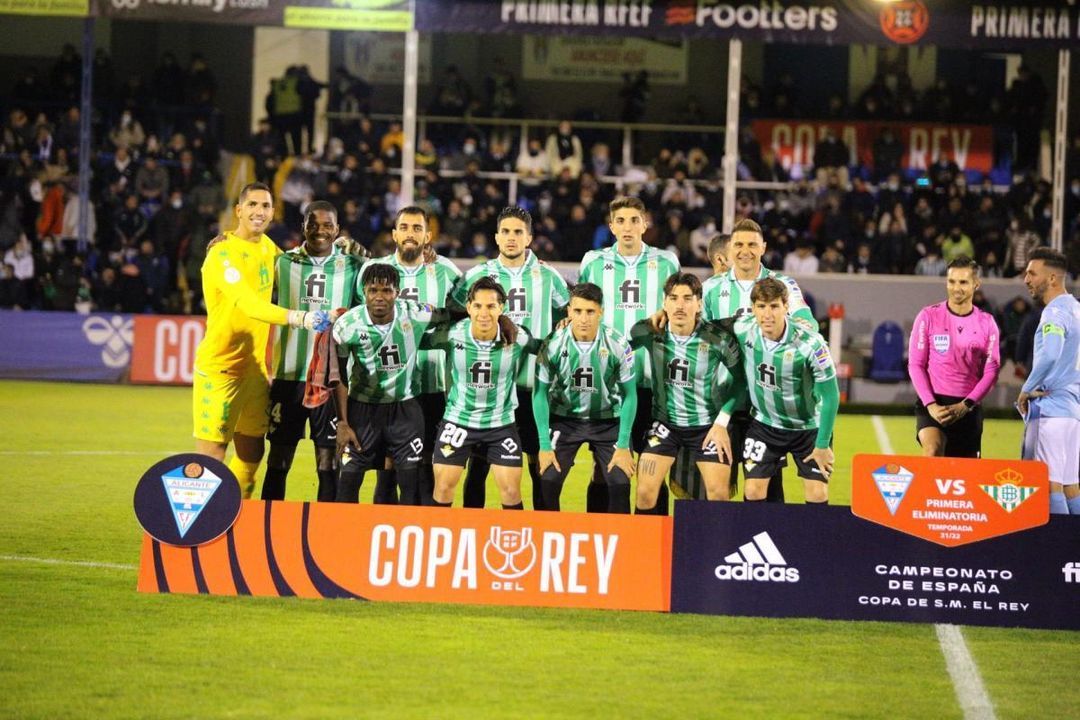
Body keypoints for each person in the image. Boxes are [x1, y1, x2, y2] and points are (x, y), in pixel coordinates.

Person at [192, 182, 333, 497]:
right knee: (214, 453)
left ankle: (236, 513)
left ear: (272, 212)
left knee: (252, 451)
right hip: (221, 368)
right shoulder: (222, 254)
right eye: (252, 205)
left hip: (255, 369)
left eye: (265, 206)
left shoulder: (269, 248)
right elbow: (249, 304)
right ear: (239, 210)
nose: (259, 212)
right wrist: (300, 317)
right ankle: (201, 523)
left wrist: (343, 246)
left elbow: (302, 265)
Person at [450, 207, 570, 510]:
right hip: (487, 388)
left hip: (532, 386)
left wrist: (560, 329)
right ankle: (472, 529)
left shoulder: (548, 276)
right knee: (478, 467)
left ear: (529, 237)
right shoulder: (477, 275)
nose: (511, 238)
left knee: (537, 464)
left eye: (518, 232)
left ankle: (542, 532)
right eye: (505, 231)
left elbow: (569, 312)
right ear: (496, 236)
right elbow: (454, 311)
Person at [701, 218, 817, 503]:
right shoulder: (710, 289)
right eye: (739, 244)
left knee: (766, 491)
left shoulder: (783, 285)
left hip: (767, 404)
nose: (745, 251)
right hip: (723, 399)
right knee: (716, 490)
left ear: (763, 247)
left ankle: (769, 545)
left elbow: (806, 321)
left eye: (752, 244)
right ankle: (719, 545)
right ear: (729, 249)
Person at [578, 197, 680, 513]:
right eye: (620, 221)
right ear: (611, 227)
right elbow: (582, 313)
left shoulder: (667, 263)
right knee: (604, 466)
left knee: (654, 468)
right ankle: (602, 534)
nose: (628, 227)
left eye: (634, 220)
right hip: (608, 385)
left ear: (645, 224)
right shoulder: (593, 262)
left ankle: (651, 541)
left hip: (654, 382)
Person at [261, 201, 365, 503]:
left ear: (338, 229)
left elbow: (383, 279)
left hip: (329, 378)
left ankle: (325, 535)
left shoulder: (352, 267)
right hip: (288, 376)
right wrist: (225, 239)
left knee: (328, 462)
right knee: (278, 459)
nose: (320, 230)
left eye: (328, 224)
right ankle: (269, 525)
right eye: (313, 223)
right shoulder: (282, 263)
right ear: (303, 225)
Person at [365, 206, 461, 505]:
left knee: (426, 464)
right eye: (404, 227)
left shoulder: (447, 272)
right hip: (387, 387)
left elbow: (469, 309)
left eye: (417, 228)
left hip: (430, 384)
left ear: (428, 236)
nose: (410, 233)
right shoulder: (374, 270)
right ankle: (381, 536)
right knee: (388, 467)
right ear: (394, 234)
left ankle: (423, 536)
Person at [332, 264, 448, 505]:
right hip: (362, 410)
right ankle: (344, 539)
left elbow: (452, 314)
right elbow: (338, 375)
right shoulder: (347, 325)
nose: (379, 297)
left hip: (405, 409)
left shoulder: (414, 312)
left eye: (386, 290)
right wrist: (342, 422)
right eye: (373, 290)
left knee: (409, 483)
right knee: (348, 482)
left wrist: (502, 321)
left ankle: (405, 539)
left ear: (398, 291)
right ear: (364, 291)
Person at [629, 273, 741, 514]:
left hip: (707, 427)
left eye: (688, 298)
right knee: (645, 492)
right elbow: (619, 348)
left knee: (719, 495)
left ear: (699, 303)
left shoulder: (717, 339)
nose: (680, 305)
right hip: (665, 425)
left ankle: (716, 549)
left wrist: (722, 423)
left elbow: (741, 382)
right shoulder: (647, 332)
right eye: (673, 298)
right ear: (664, 303)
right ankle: (645, 550)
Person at [428, 277, 536, 509]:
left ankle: (514, 544)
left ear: (502, 308)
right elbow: (413, 339)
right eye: (477, 306)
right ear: (468, 307)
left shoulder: (517, 338)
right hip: (458, 421)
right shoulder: (451, 335)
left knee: (511, 491)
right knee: (444, 487)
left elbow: (548, 347)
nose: (484, 313)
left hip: (500, 424)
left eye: (491, 306)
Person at [729, 277, 839, 504]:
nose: (767, 314)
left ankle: (813, 541)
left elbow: (831, 396)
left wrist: (822, 445)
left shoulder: (812, 344)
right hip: (764, 426)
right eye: (761, 306)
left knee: (817, 494)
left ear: (786, 307)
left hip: (808, 428)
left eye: (774, 306)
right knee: (753, 491)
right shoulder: (743, 329)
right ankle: (755, 539)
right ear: (753, 309)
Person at [533, 283, 638, 513]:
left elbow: (630, 395)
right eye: (578, 311)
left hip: (609, 421)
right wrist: (543, 445)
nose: (583, 319)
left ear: (601, 312)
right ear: (569, 311)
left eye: (590, 312)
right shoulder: (552, 344)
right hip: (564, 419)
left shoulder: (618, 344)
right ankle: (550, 541)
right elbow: (539, 393)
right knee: (547, 481)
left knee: (620, 483)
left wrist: (623, 444)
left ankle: (617, 542)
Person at [907, 256, 1001, 458]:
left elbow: (992, 370)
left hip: (968, 408)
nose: (956, 288)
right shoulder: (928, 316)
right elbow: (915, 364)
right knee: (933, 450)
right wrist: (930, 405)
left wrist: (966, 405)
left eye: (963, 282)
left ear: (976, 284)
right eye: (951, 281)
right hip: (934, 404)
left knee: (965, 477)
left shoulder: (987, 322)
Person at [1017, 248, 1080, 515]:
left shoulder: (1053, 313)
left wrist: (1026, 389)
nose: (1026, 279)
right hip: (1074, 411)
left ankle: (1057, 555)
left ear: (1052, 278)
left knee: (1050, 484)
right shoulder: (1077, 309)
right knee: (1071, 486)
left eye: (1032, 273)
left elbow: (1051, 354)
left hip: (1052, 408)